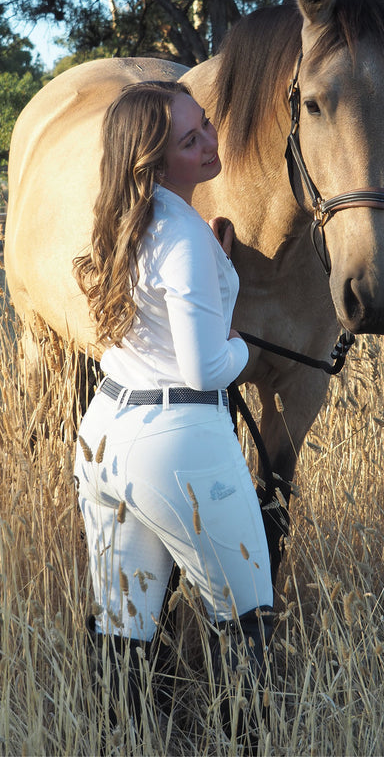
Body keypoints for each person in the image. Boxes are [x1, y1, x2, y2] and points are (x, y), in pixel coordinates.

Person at [73, 80, 274, 748]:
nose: (212, 143)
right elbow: (204, 369)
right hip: (181, 443)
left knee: (122, 630)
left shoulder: (124, 220)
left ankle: (127, 742)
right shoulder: (185, 236)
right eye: (191, 141)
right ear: (153, 164)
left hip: (107, 430)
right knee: (246, 621)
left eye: (206, 125)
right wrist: (241, 346)